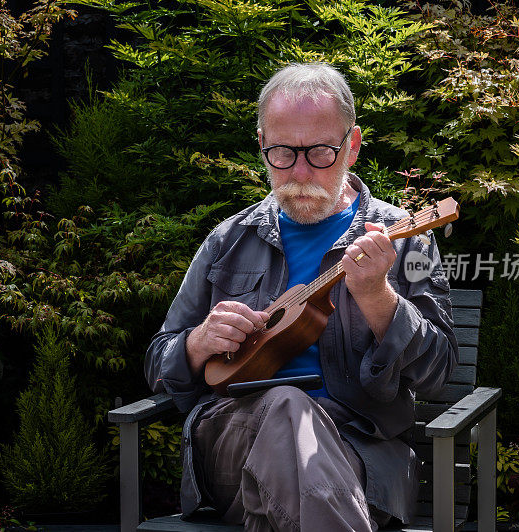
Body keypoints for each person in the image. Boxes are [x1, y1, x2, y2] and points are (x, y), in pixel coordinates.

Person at [144, 62, 458, 532]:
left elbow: (439, 374)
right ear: (261, 145)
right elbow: (157, 360)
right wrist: (198, 343)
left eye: (320, 153)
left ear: (351, 145)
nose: (300, 171)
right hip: (231, 444)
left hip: (358, 454)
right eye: (282, 154)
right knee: (287, 404)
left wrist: (378, 299)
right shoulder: (228, 240)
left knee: (290, 445)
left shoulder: (405, 239)